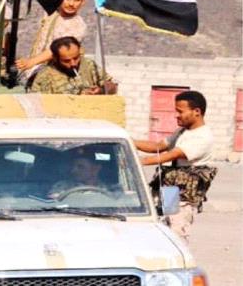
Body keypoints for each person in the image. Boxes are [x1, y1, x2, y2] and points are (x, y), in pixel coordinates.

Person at [134, 91, 216, 242]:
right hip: (172, 190)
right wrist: (129, 141)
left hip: (184, 196)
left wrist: (138, 161)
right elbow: (158, 146)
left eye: (180, 111)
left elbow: (172, 155)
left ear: (196, 111)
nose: (176, 115)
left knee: (176, 232)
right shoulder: (182, 131)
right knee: (164, 224)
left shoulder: (203, 137)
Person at [15, 0, 88, 79]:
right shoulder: (52, 11)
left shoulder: (78, 26)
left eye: (76, 0)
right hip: (34, 68)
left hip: (55, 74)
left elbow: (58, 49)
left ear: (83, 2)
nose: (71, 3)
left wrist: (31, 62)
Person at [30, 36, 117, 95]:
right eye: (66, 61)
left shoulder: (88, 65)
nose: (73, 64)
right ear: (56, 59)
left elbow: (112, 86)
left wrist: (101, 90)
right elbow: (36, 103)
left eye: (76, 58)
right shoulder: (45, 76)